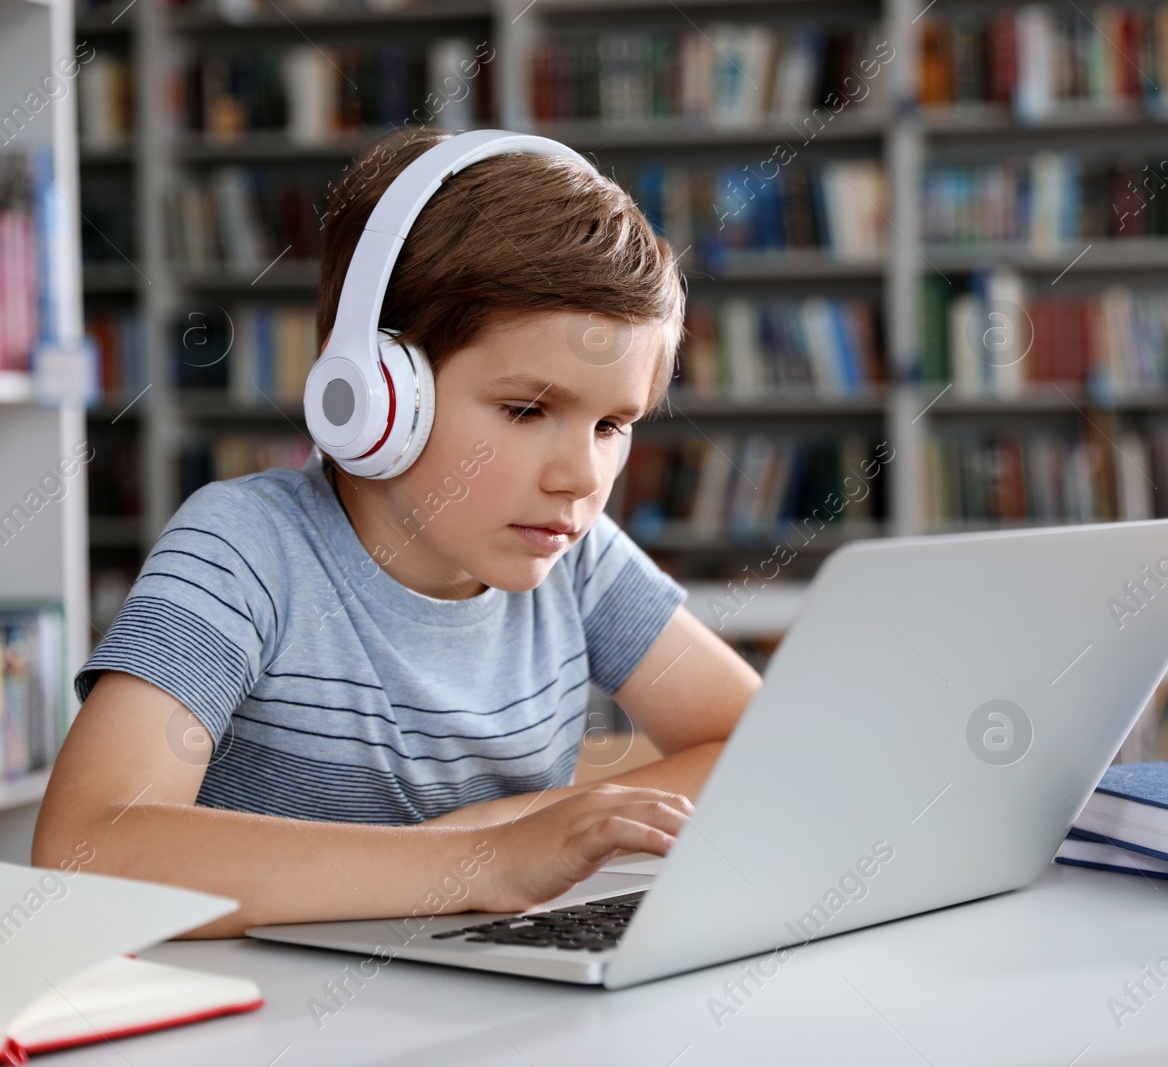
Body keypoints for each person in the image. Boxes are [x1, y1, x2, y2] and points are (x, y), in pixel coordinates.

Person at [33, 127, 762, 938]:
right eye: (527, 410)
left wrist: (522, 829)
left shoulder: (576, 556)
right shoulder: (246, 548)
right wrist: (484, 861)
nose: (582, 477)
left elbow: (754, 739)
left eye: (612, 423)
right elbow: (84, 851)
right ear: (378, 396)